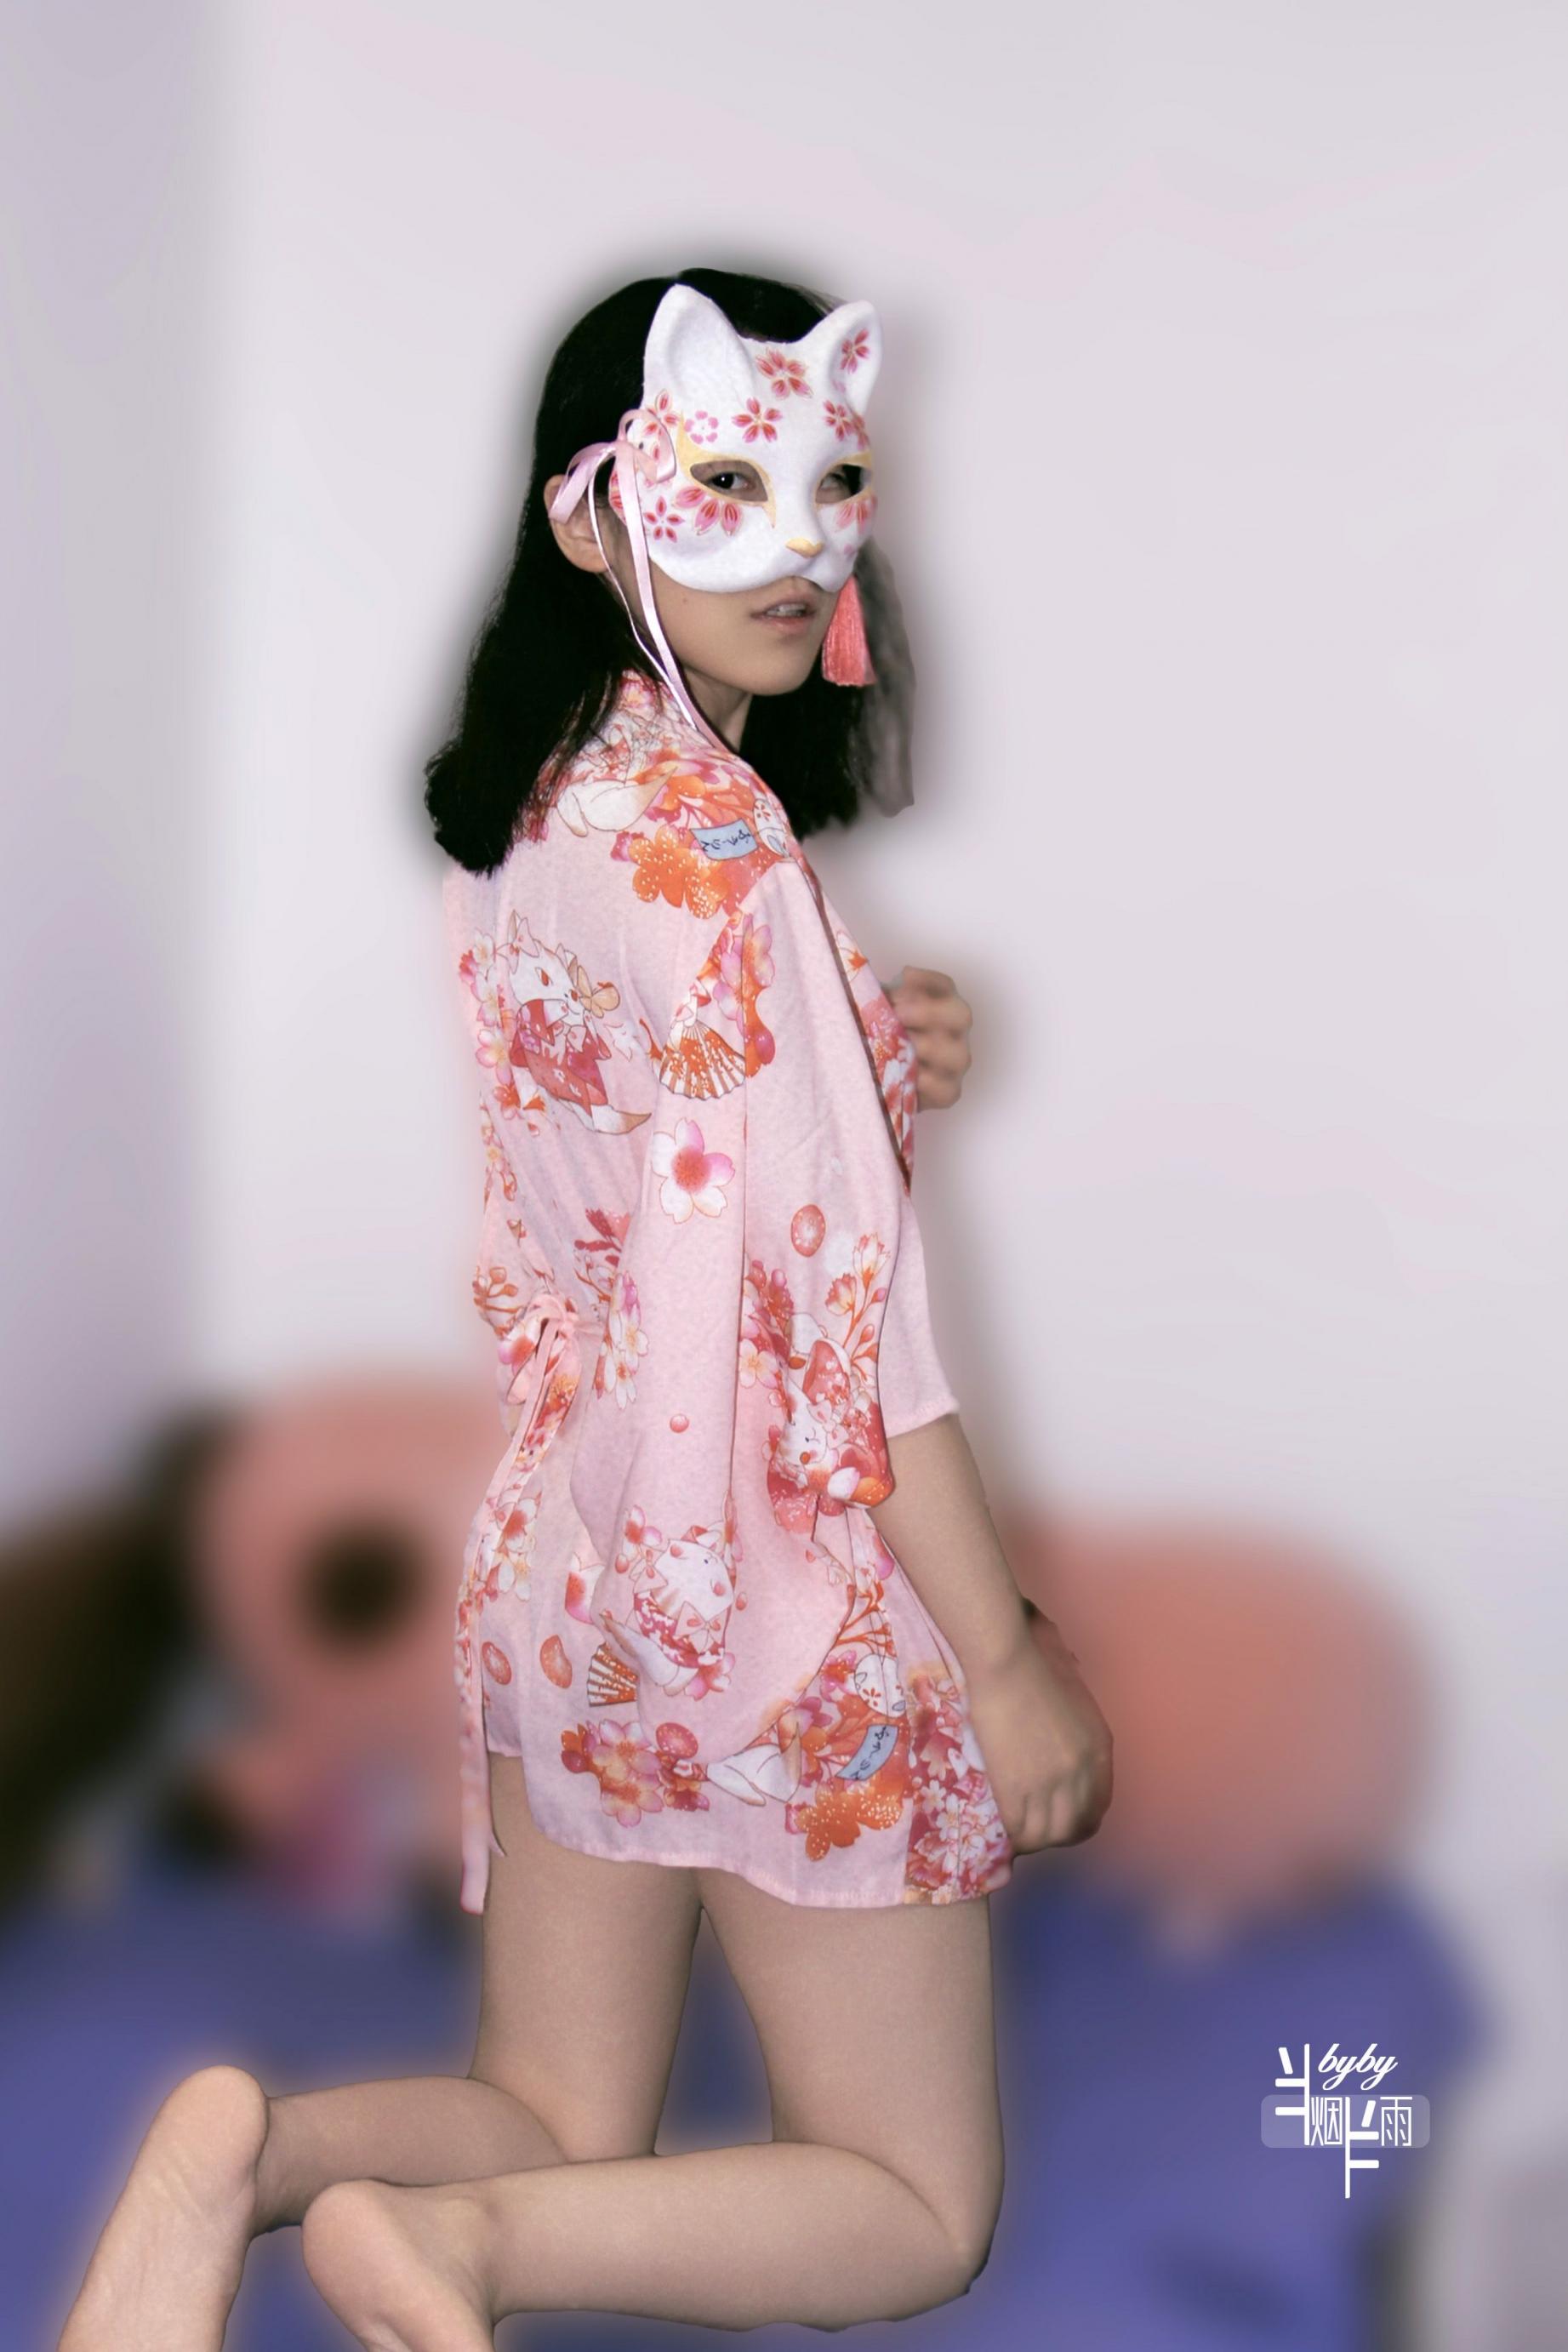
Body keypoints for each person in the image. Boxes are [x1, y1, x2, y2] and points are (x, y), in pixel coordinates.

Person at [58, 265, 1112, 2352]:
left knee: (548, 2100)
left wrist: (860, 1051)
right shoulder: (736, 863)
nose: (799, 542)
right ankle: (465, 2250)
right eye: (726, 481)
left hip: (583, 1554)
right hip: (777, 1583)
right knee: (913, 2197)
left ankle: (249, 2158)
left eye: (831, 486)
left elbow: (664, 1154)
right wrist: (1003, 1661)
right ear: (589, 511)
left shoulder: (540, 813)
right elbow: (838, 1317)